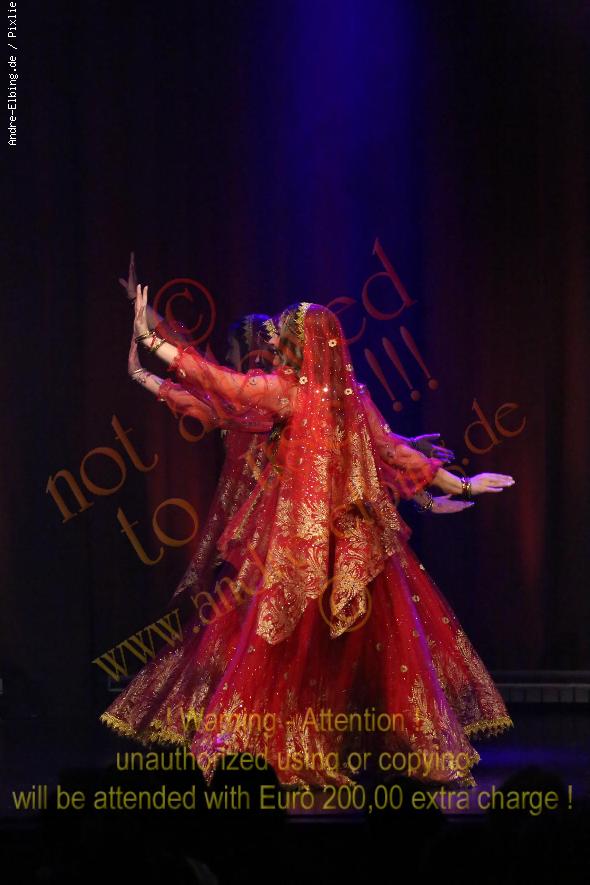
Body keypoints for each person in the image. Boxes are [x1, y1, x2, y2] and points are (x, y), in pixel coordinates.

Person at [101, 288, 515, 790]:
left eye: (283, 337)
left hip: (307, 547)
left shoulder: (290, 393)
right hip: (349, 546)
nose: (275, 343)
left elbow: (219, 382)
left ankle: (310, 745)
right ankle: (336, 743)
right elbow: (393, 452)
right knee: (334, 651)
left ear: (302, 345)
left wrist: (150, 339)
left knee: (308, 652)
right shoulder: (349, 398)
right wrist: (462, 483)